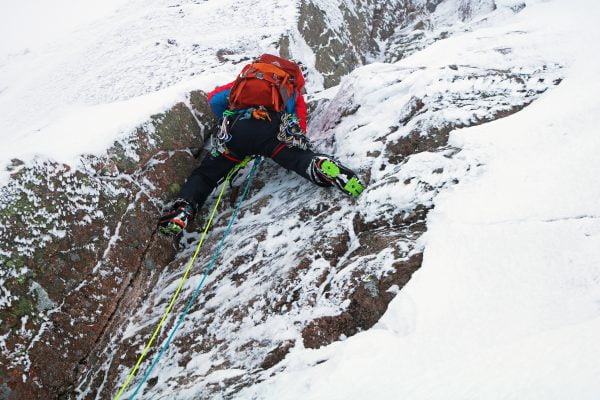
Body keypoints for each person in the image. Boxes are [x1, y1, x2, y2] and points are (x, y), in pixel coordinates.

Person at [158, 54, 364, 235]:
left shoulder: (249, 80)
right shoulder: (292, 92)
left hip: (236, 133)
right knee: (298, 158)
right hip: (271, 134)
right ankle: (318, 166)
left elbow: (214, 100)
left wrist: (230, 120)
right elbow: (298, 129)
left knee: (206, 174)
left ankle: (184, 209)